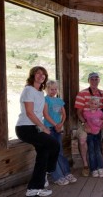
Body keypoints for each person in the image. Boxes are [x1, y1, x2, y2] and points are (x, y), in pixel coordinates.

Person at [15, 66, 59, 197]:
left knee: (44, 153)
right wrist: (43, 128)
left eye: (43, 74)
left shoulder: (40, 93)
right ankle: (48, 171)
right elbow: (29, 113)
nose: (41, 76)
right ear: (32, 75)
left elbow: (42, 113)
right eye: (38, 73)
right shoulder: (28, 90)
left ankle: (34, 188)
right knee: (54, 144)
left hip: (35, 127)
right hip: (25, 128)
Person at [74, 72, 103, 177]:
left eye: (96, 79)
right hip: (85, 121)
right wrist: (84, 124)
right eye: (92, 79)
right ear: (88, 81)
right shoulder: (82, 94)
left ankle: (101, 160)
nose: (94, 81)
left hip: (100, 121)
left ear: (99, 80)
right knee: (82, 139)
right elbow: (79, 113)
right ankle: (85, 165)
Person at [43, 80, 77, 186]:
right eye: (51, 89)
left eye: (55, 89)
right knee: (53, 153)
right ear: (46, 89)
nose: (53, 91)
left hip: (58, 128)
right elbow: (45, 114)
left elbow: (64, 114)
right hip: (49, 128)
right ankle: (57, 176)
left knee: (60, 152)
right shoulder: (45, 100)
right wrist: (55, 125)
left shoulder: (59, 100)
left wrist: (61, 124)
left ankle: (66, 173)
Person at [83, 96, 103, 178]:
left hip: (98, 133)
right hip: (90, 134)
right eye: (92, 103)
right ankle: (93, 169)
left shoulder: (100, 113)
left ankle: (100, 168)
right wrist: (86, 127)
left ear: (98, 105)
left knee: (98, 151)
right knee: (91, 152)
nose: (93, 105)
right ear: (89, 104)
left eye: (95, 104)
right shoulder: (86, 113)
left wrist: (102, 125)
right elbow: (84, 122)